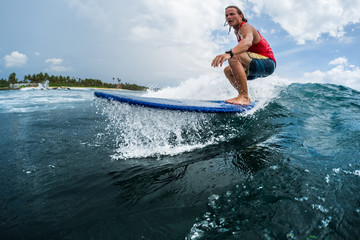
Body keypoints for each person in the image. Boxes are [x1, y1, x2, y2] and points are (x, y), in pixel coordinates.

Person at [211, 6, 276, 105]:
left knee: (234, 57)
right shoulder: (236, 31)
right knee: (228, 70)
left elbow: (247, 42)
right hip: (257, 66)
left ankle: (244, 97)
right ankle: (244, 96)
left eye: (232, 14)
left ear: (241, 16)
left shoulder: (245, 27)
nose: (228, 17)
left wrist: (229, 53)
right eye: (226, 15)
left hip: (267, 62)